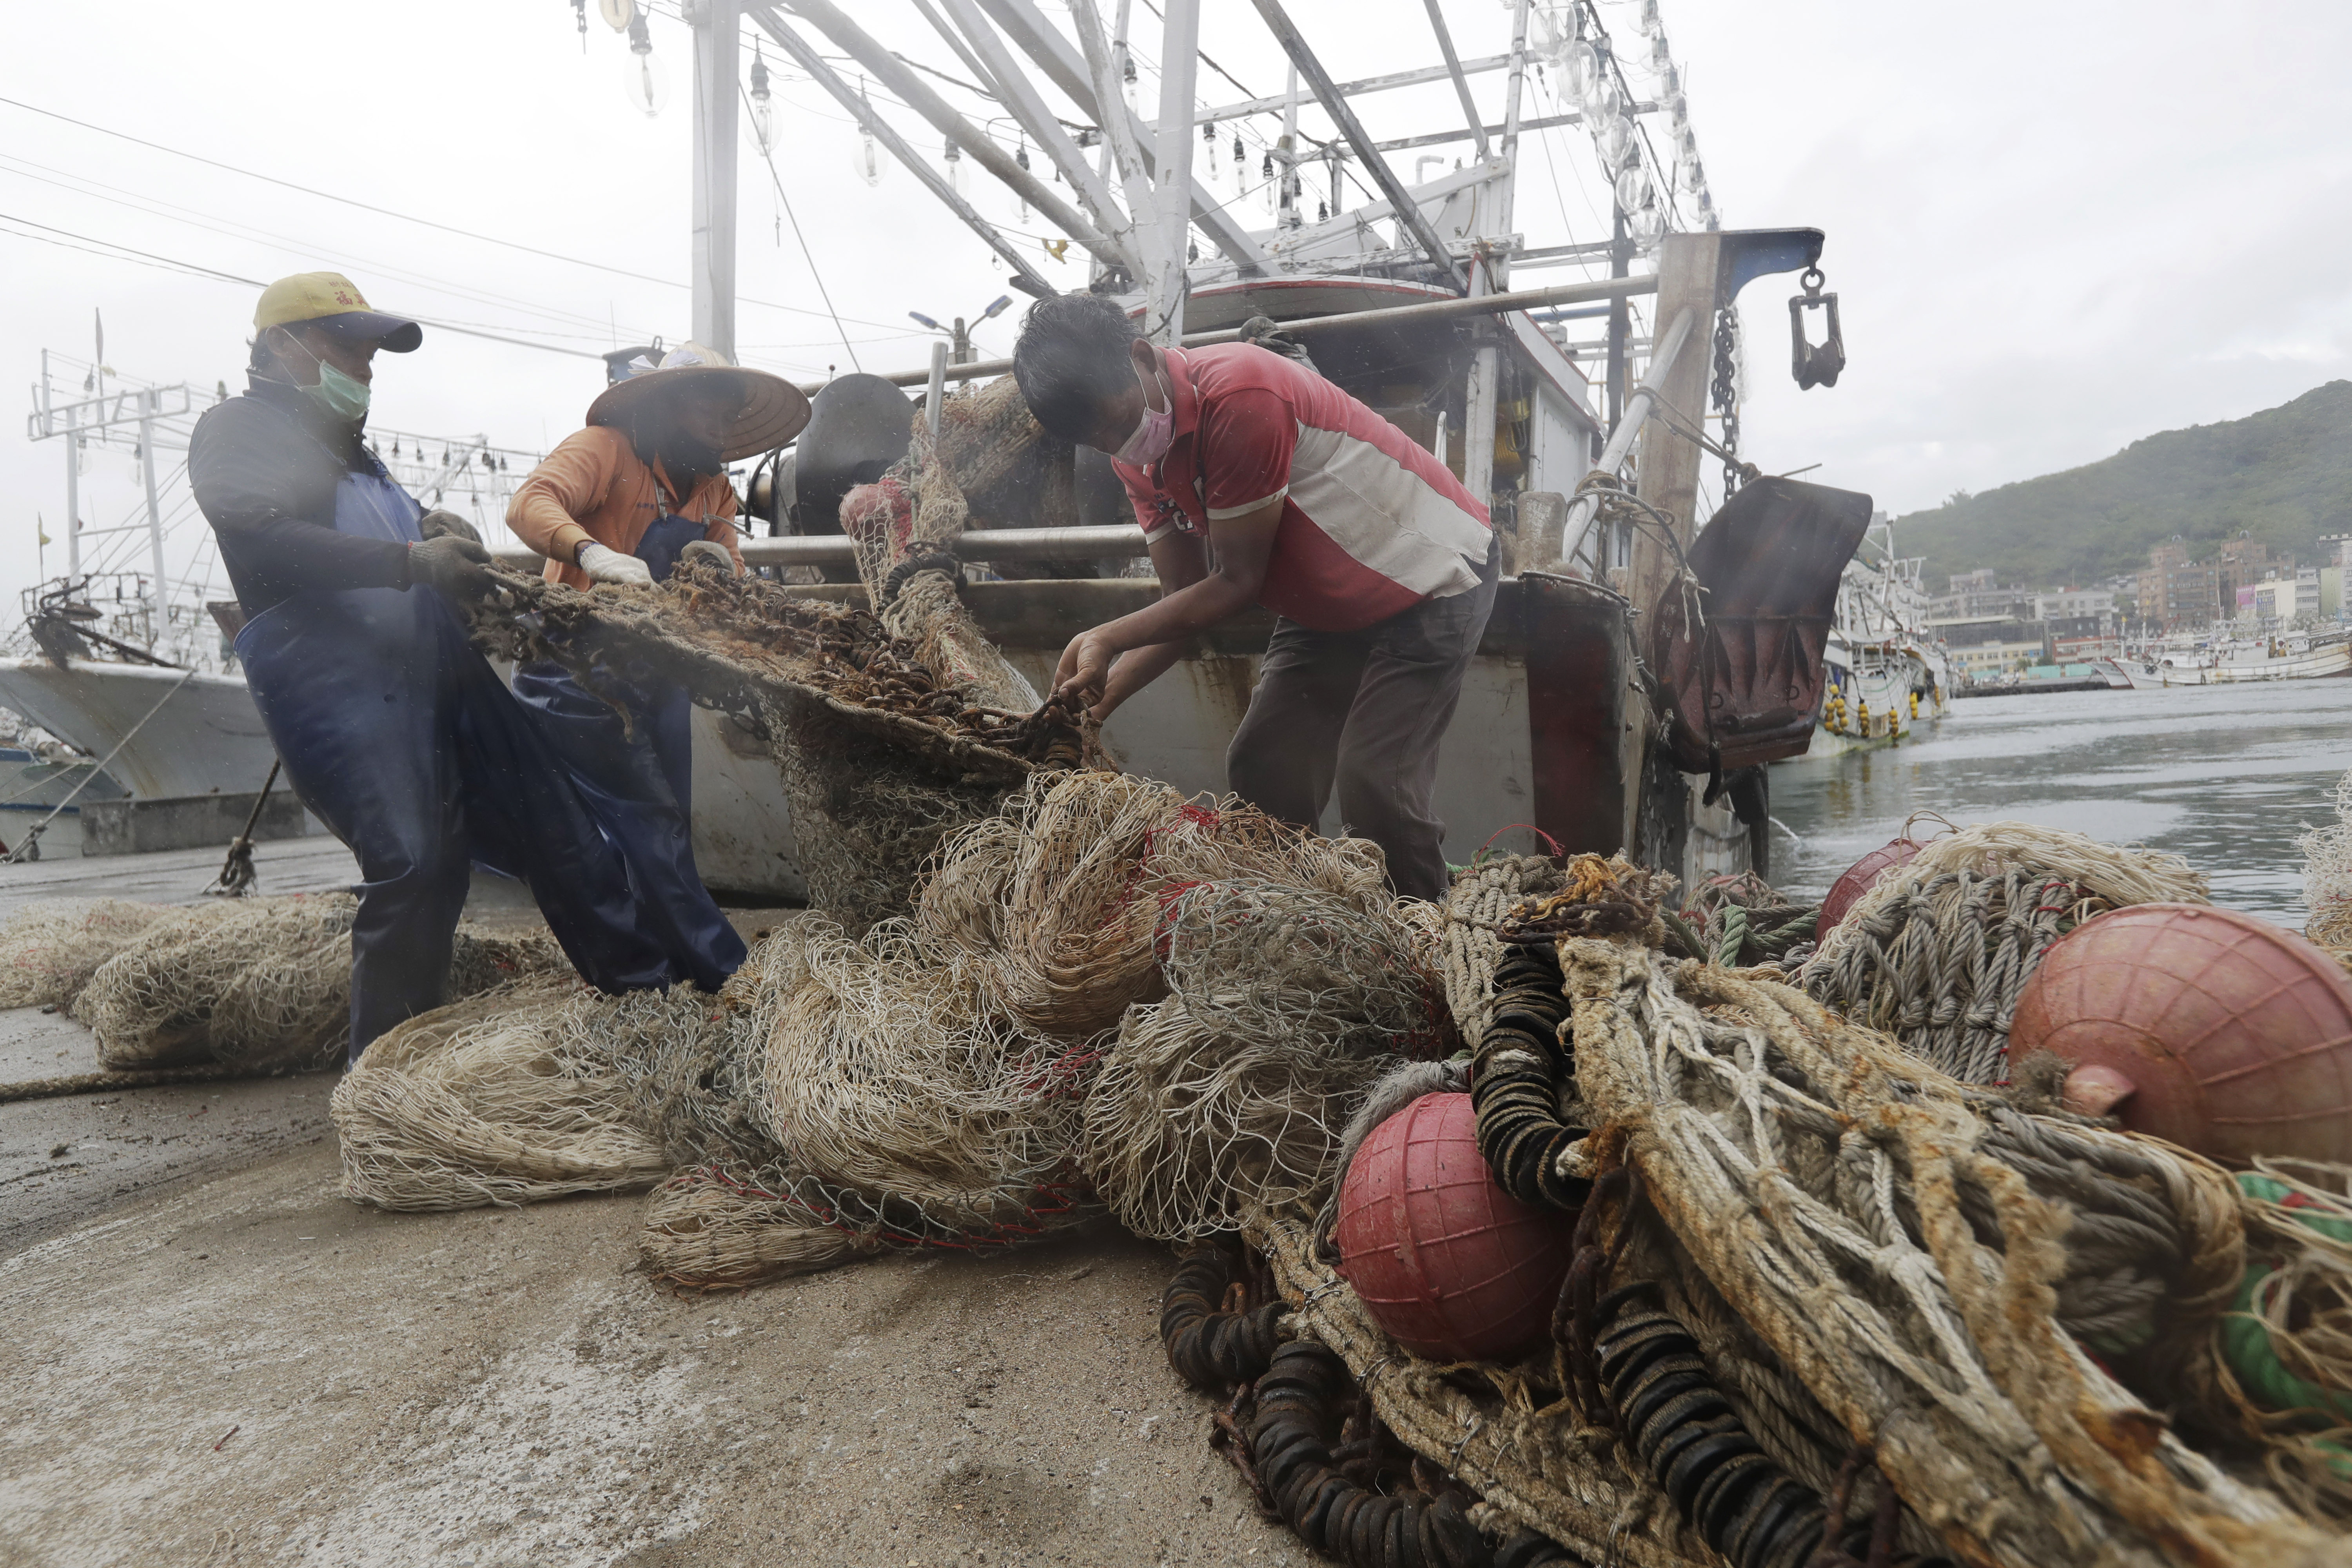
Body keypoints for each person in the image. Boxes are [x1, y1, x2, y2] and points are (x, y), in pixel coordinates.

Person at [190, 272, 683, 1060]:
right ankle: (386, 1072)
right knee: (417, 867)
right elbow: (262, 538)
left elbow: (383, 531)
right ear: (281, 346)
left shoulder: (348, 446)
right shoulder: (236, 428)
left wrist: (428, 528)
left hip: (434, 663)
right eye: (346, 346)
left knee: (561, 831)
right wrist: (411, 560)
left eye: (371, 353)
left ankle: (658, 1015)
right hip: (337, 682)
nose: (365, 366)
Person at [1011, 295, 1496, 902]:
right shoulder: (1136, 458)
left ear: (1142, 357)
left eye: (1117, 420)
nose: (1119, 444)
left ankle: (1425, 931)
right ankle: (1298, 914)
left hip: (1431, 575)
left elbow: (1236, 583)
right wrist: (1088, 712)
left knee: (1377, 783)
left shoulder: (1242, 394)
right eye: (1097, 440)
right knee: (1264, 764)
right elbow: (1183, 602)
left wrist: (1103, 637)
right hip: (1325, 603)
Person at [504, 343, 809, 990]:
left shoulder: (714, 489)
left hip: (658, 668)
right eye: (708, 411)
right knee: (649, 818)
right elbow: (531, 502)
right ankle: (726, 976)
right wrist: (589, 552)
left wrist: (726, 580)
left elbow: (731, 567)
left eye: (730, 417)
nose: (721, 429)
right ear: (668, 408)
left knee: (668, 819)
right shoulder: (605, 450)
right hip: (576, 667)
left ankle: (657, 970)